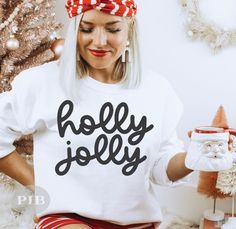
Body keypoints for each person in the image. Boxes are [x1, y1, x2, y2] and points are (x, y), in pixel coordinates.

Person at [0, 0, 194, 228]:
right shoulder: (42, 83)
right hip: (66, 219)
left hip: (138, 222)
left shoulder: (156, 90)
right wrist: (38, 184)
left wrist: (195, 157)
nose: (99, 41)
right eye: (87, 28)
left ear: (130, 28)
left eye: (112, 29)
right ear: (74, 30)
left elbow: (161, 169)